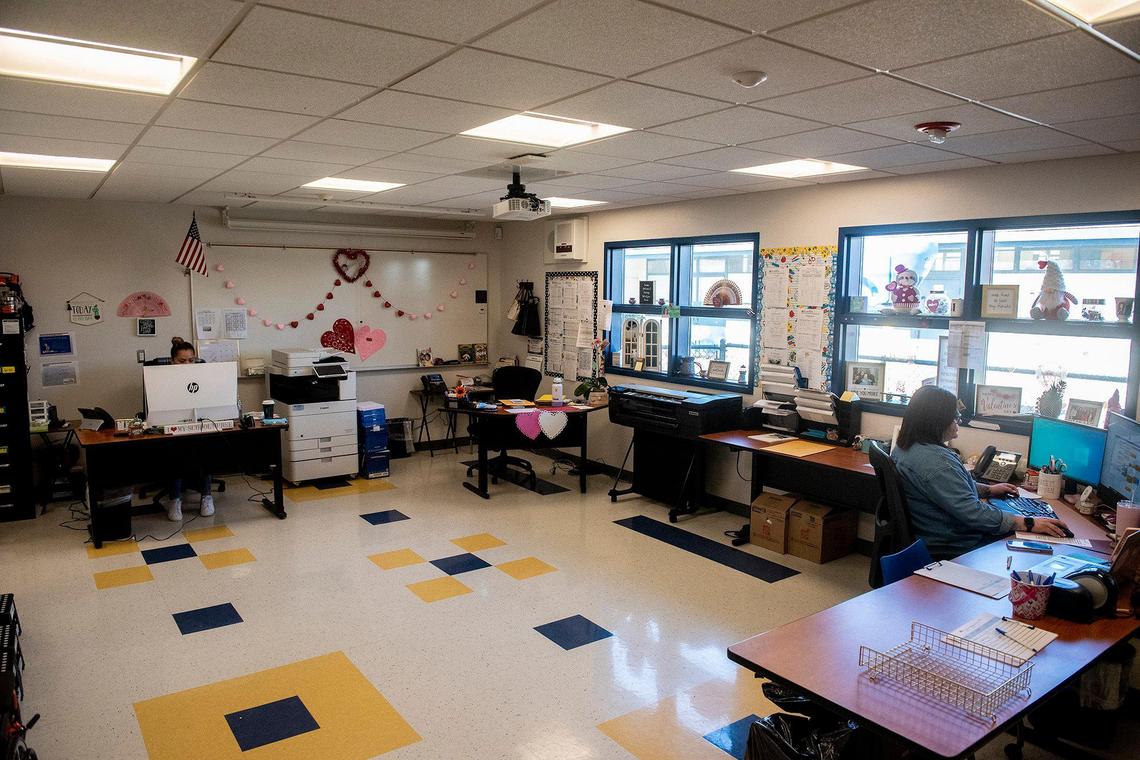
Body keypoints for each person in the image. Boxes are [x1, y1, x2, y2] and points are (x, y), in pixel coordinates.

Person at [891, 385, 1068, 558]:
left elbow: (947, 489)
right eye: (955, 417)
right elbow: (974, 513)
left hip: (931, 535)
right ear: (936, 421)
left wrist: (988, 489)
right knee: (1043, 551)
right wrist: (1028, 523)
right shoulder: (939, 464)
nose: (958, 421)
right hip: (956, 544)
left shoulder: (904, 447)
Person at [166, 337, 214, 521]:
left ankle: (207, 496)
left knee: (205, 450)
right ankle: (175, 499)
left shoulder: (202, 378)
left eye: (191, 360)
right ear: (172, 361)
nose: (187, 364)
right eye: (182, 361)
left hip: (199, 426)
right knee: (175, 454)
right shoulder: (163, 380)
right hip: (174, 428)